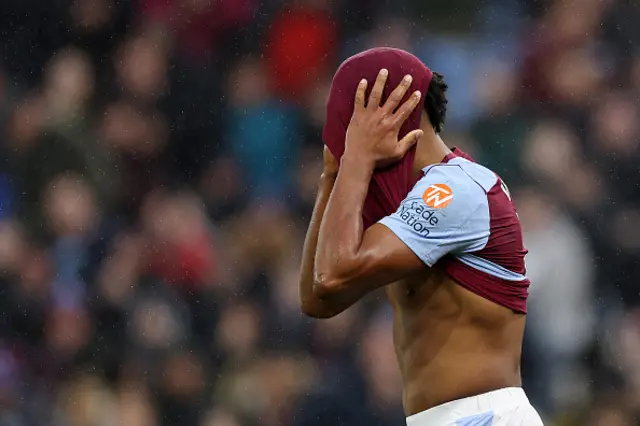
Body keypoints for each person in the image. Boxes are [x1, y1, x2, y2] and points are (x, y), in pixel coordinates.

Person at [298, 47, 544, 425]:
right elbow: (318, 298)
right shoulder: (408, 203)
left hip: (485, 415)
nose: (349, 141)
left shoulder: (457, 189)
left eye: (354, 126)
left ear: (390, 115)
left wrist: (357, 161)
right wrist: (331, 176)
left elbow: (333, 273)